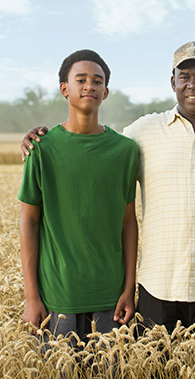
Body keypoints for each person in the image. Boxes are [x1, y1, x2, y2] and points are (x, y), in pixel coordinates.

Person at [21, 41, 195, 338]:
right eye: (184, 76)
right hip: (159, 291)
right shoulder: (143, 132)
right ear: (173, 82)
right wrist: (40, 137)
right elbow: (94, 147)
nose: (193, 84)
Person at [18, 49, 140, 348]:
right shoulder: (42, 149)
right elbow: (29, 223)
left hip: (111, 298)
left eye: (97, 81)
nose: (90, 86)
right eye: (81, 80)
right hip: (57, 296)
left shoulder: (125, 151)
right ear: (65, 88)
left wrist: (129, 290)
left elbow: (128, 222)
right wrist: (32, 297)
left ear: (106, 92)